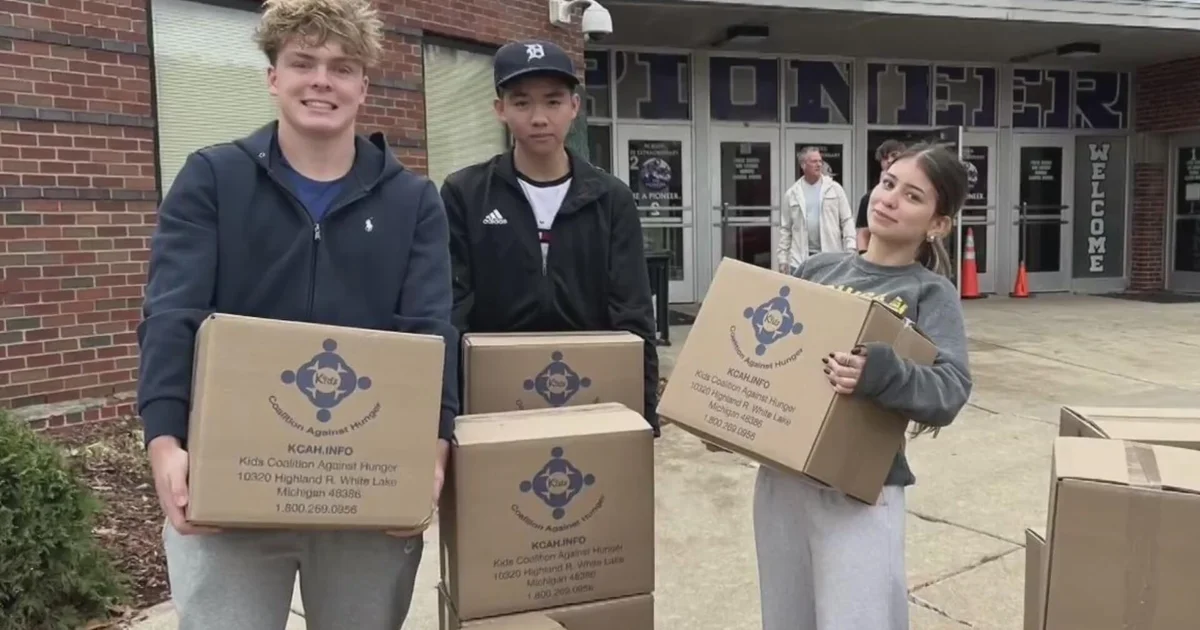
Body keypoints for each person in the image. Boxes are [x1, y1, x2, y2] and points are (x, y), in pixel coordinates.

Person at [135, 0, 457, 627]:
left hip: (365, 489)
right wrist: (164, 443)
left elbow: (429, 330)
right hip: (231, 485)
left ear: (364, 86)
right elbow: (173, 313)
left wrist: (433, 453)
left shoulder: (413, 202)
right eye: (302, 62)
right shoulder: (211, 180)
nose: (321, 80)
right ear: (272, 77)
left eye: (341, 67)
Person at [754, 143, 974, 630]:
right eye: (889, 183)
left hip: (860, 491)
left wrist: (883, 373)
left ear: (938, 223)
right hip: (784, 480)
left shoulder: (928, 292)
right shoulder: (818, 270)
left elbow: (952, 388)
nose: (890, 199)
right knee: (787, 617)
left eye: (913, 196)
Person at [440, 41, 660, 436]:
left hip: (591, 392)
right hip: (496, 398)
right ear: (500, 110)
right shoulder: (466, 193)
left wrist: (644, 413)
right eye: (522, 103)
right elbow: (453, 309)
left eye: (553, 102)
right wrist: (448, 416)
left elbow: (634, 311)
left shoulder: (610, 198)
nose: (539, 117)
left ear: (574, 107)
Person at [778, 147, 855, 274]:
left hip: (831, 258)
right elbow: (785, 229)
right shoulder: (792, 194)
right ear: (803, 165)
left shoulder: (834, 189)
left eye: (820, 161)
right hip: (800, 260)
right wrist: (783, 259)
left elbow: (847, 220)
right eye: (814, 161)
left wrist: (850, 248)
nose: (819, 164)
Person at [857, 139, 907, 252]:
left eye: (894, 155)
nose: (889, 160)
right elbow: (863, 234)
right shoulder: (868, 198)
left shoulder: (913, 193)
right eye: (884, 158)